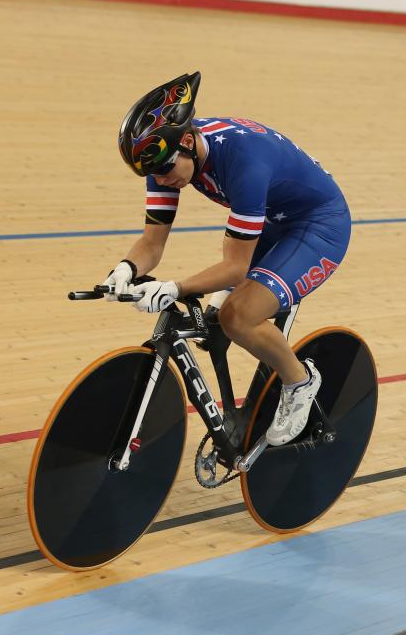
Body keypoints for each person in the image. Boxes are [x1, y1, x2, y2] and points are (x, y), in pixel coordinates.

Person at [105, 71, 351, 446]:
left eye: (164, 169)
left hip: (317, 226)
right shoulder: (166, 156)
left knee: (239, 315)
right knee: (220, 316)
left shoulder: (244, 163)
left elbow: (235, 267)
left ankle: (300, 382)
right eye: (150, 174)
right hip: (272, 217)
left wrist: (174, 287)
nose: (160, 179)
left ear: (187, 141)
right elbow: (152, 244)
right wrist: (125, 269)